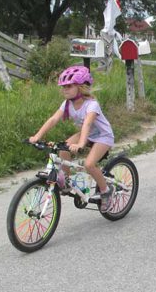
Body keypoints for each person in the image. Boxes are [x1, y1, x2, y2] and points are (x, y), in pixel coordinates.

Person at [29, 66, 115, 213]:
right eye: (63, 87)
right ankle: (67, 181)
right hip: (86, 134)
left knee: (89, 164)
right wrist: (37, 136)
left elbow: (88, 124)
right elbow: (53, 119)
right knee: (63, 150)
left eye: (69, 86)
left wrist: (81, 143)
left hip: (102, 136)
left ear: (80, 87)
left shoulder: (92, 104)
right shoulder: (67, 103)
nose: (64, 90)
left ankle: (106, 191)